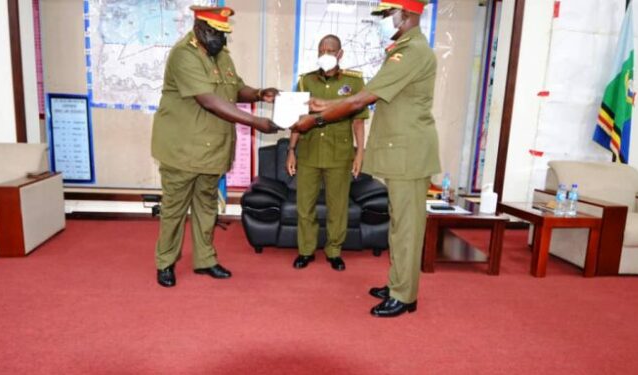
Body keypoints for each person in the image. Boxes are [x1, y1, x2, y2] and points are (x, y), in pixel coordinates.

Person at [291, 0, 440, 317]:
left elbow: (362, 98)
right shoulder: (401, 49)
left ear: (408, 14)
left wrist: (317, 115)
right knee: (399, 225)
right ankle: (397, 283)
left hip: (410, 154)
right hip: (401, 153)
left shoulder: (411, 52)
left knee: (407, 228)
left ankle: (404, 295)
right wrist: (318, 106)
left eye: (388, 13)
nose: (385, 20)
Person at [152, 5, 280, 288]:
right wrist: (255, 122)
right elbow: (209, 100)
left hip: (213, 148)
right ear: (199, 28)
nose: (220, 40)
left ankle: (205, 259)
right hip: (182, 149)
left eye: (223, 34)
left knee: (207, 206)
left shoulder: (221, 55)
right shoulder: (183, 54)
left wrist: (259, 93)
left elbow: (236, 89)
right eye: (214, 33)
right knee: (174, 209)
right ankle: (165, 262)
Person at [286, 35, 369, 271]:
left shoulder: (354, 83)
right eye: (321, 49)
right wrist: (291, 150)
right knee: (305, 206)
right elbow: (297, 120)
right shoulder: (305, 82)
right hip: (310, 151)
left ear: (340, 54)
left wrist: (359, 154)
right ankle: (306, 250)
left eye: (330, 50)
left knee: (338, 206)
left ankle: (334, 251)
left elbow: (359, 123)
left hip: (339, 154)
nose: (325, 54)